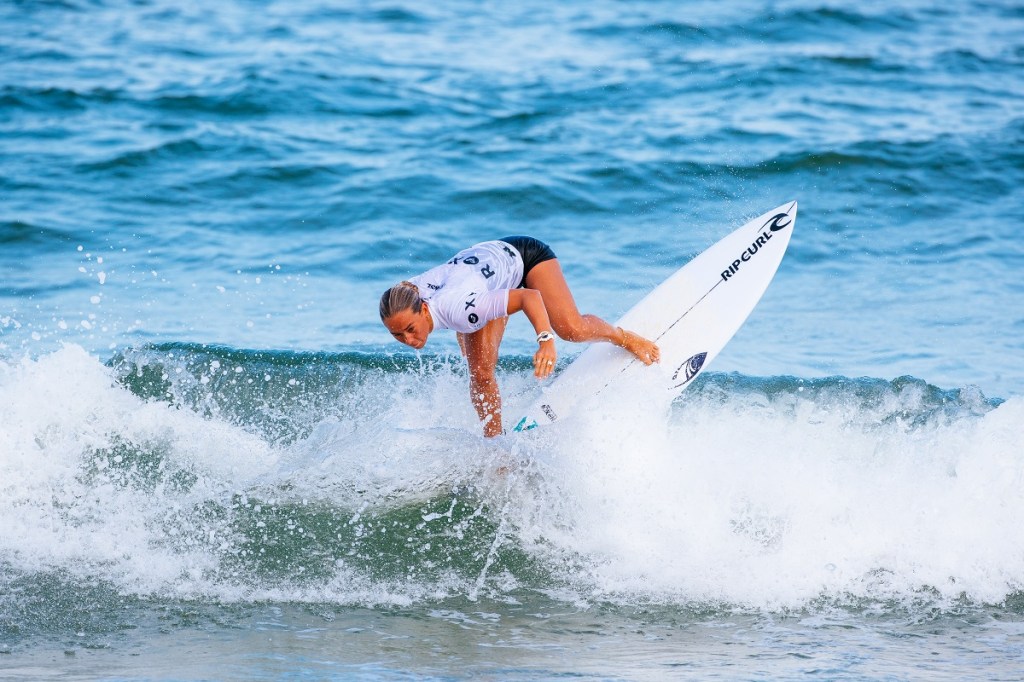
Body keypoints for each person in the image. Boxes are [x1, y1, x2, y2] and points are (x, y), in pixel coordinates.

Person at [379, 236, 660, 437]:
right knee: (478, 363)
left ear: (424, 309)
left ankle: (624, 337)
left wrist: (546, 340)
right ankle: (496, 438)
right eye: (397, 334)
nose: (408, 340)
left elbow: (530, 297)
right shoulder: (405, 294)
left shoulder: (461, 310)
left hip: (525, 258)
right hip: (485, 277)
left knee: (571, 330)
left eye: (411, 329)